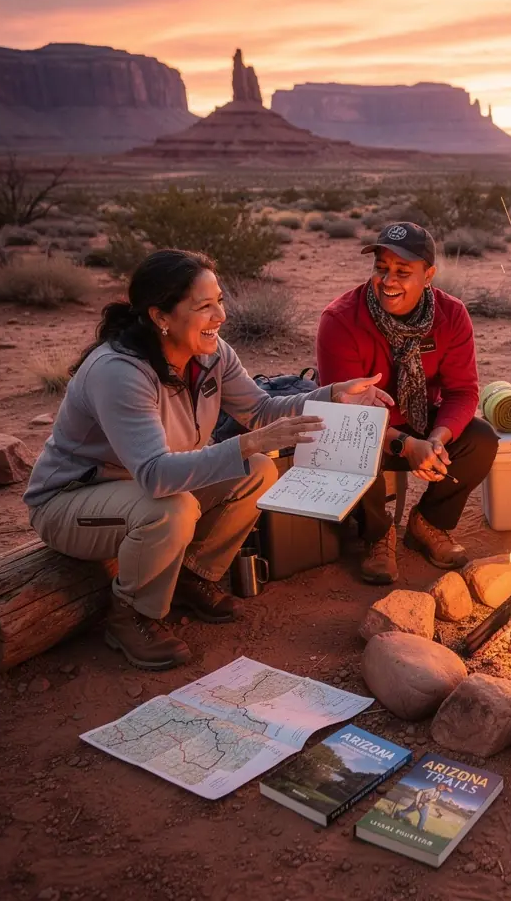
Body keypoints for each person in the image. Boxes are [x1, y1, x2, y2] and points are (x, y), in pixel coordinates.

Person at [24, 249, 392, 671]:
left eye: (219, 300)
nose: (220, 315)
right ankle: (131, 616)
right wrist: (248, 443)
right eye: (204, 306)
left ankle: (191, 576)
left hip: (141, 489)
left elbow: (259, 409)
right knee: (173, 509)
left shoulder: (211, 354)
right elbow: (156, 475)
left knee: (257, 471)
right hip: (71, 500)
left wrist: (330, 394)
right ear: (160, 316)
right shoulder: (119, 372)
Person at [316, 221, 498, 584]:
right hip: (364, 426)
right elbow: (344, 414)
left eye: (402, 271)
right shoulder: (340, 320)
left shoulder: (451, 315)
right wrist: (404, 444)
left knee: (481, 439)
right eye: (381, 268)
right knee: (347, 442)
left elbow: (463, 392)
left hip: (421, 419)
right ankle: (377, 534)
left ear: (428, 275)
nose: (388, 281)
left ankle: (427, 523)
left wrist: (437, 440)